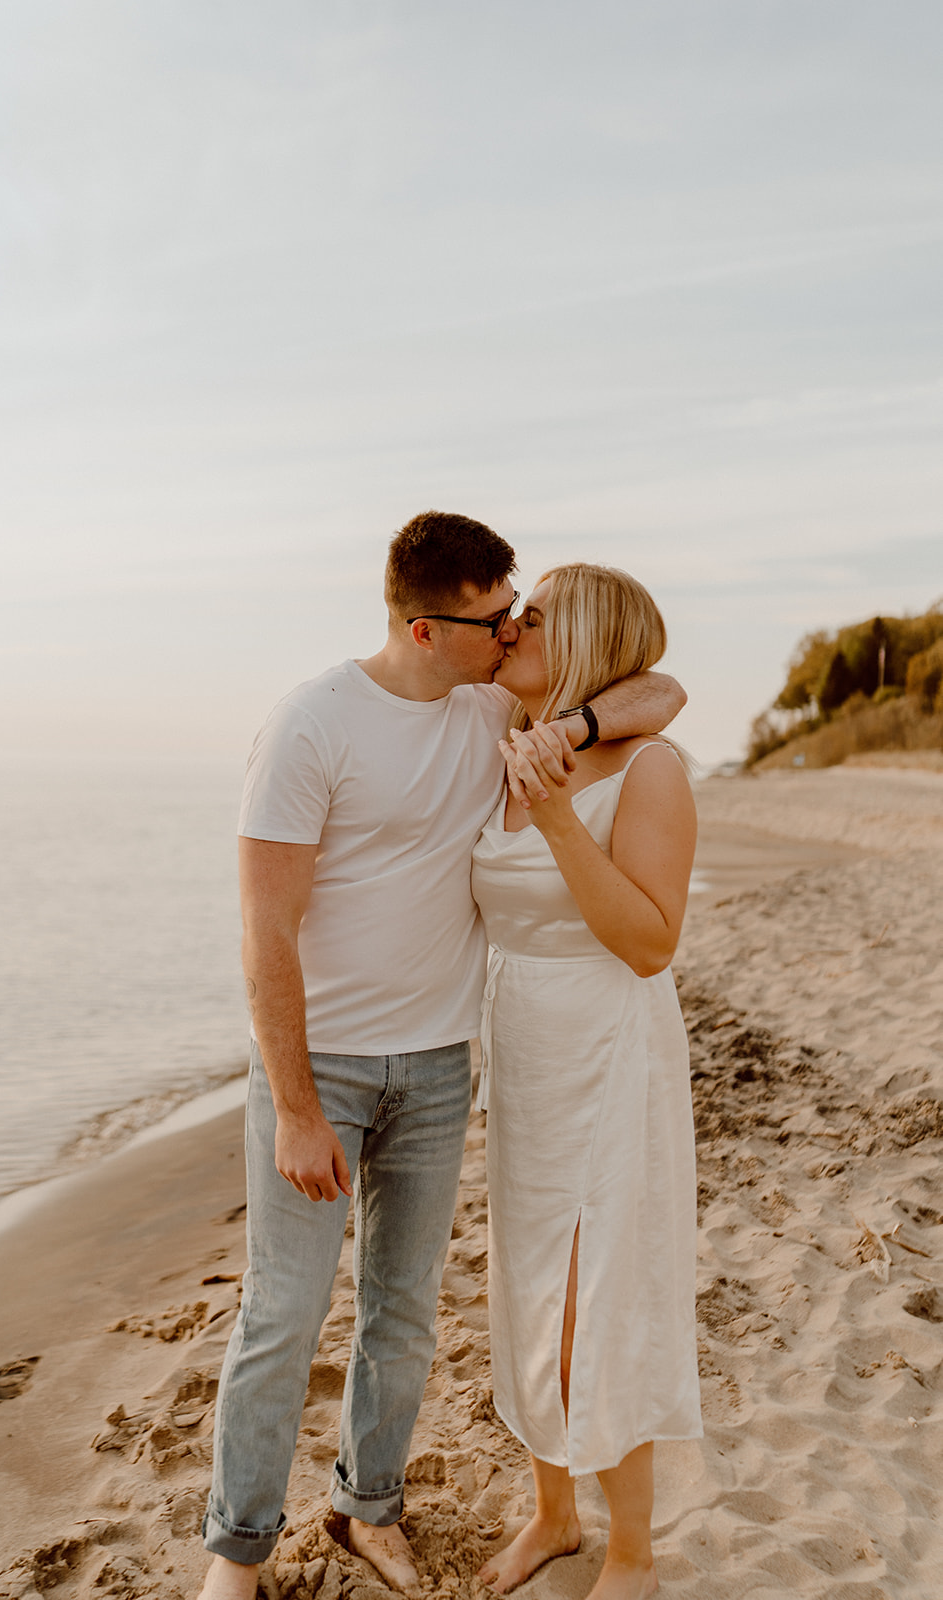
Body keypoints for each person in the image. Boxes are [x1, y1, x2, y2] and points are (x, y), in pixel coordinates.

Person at [199, 514, 686, 1600]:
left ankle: (405, 1514)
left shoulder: (508, 721)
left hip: (477, 1061)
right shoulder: (321, 725)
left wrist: (581, 733)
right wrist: (290, 1103)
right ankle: (235, 1555)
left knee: (455, 1303)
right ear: (429, 630)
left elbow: (658, 696)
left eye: (527, 614)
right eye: (497, 616)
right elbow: (262, 929)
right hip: (373, 1060)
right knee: (293, 1311)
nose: (512, 628)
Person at [470, 564, 702, 1600]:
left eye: (535, 613)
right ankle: (554, 1516)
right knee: (528, 1281)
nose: (510, 624)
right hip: (519, 1047)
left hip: (611, 1043)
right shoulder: (503, 731)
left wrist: (560, 815)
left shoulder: (647, 770)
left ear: (589, 636)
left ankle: (632, 1553)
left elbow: (651, 943)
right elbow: (657, 679)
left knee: (600, 1290)